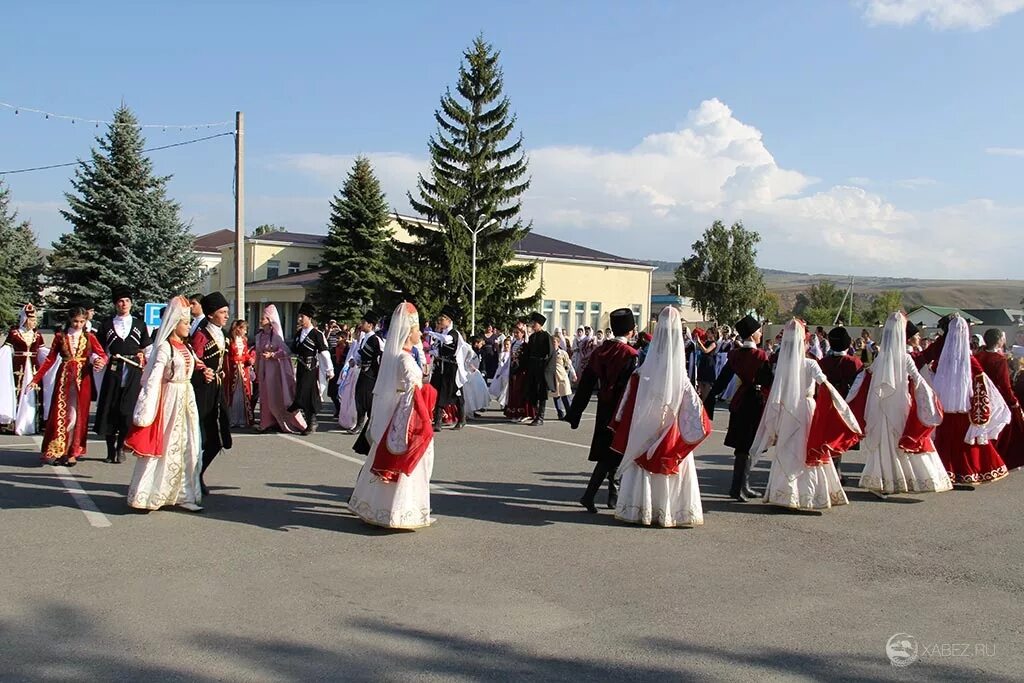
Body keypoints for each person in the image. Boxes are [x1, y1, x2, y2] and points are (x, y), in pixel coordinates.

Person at [609, 306, 711, 527]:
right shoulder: (680, 378)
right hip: (670, 429)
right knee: (670, 465)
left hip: (644, 427)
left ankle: (640, 509)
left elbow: (624, 408)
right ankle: (670, 511)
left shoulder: (641, 373)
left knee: (642, 464)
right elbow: (695, 410)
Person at [751, 319, 862, 512]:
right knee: (807, 449)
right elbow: (825, 385)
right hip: (807, 409)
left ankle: (784, 493)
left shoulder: (782, 366)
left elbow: (777, 391)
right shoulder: (811, 364)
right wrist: (843, 409)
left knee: (787, 450)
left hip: (788, 410)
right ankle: (809, 495)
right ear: (804, 342)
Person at [349, 302, 438, 529]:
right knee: (409, 460)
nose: (421, 333)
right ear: (409, 332)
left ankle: (376, 506)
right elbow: (414, 391)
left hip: (397, 409)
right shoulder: (406, 359)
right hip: (406, 412)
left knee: (384, 457)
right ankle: (401, 512)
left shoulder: (396, 355)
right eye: (418, 329)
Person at [846, 312, 952, 497]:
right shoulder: (905, 358)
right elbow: (918, 380)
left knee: (884, 443)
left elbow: (865, 378)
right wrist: (929, 400)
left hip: (879, 406)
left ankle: (883, 479)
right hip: (901, 405)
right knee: (900, 442)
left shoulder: (880, 359)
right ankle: (905, 478)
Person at [124, 296, 203, 512]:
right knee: (167, 446)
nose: (188, 327)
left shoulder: (186, 347)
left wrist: (201, 368)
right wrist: (148, 405)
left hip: (187, 398)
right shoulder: (165, 348)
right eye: (185, 323)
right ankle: (150, 494)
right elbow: (153, 378)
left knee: (189, 446)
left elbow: (189, 365)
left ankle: (184, 494)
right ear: (174, 323)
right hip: (170, 400)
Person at [566, 308, 638, 512]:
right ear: (631, 331)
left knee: (610, 453)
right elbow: (631, 388)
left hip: (604, 407)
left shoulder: (600, 351)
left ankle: (611, 497)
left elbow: (586, 383)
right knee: (615, 453)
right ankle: (593, 496)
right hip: (621, 408)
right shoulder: (630, 354)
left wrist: (575, 412)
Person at [931, 316, 1010, 485]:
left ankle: (945, 472)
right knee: (964, 445)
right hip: (964, 411)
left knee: (945, 443)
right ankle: (963, 472)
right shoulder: (970, 361)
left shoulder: (942, 361)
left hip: (944, 411)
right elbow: (981, 383)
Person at [704, 315, 773, 501]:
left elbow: (722, 379)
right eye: (758, 331)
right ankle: (740, 487)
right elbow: (768, 381)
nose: (760, 334)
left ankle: (741, 486)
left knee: (742, 446)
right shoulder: (760, 356)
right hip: (755, 402)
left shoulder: (734, 355)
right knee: (748, 445)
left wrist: (710, 397)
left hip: (739, 402)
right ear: (752, 335)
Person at [28, 307, 108, 466]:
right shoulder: (61, 337)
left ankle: (73, 451)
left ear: (85, 321)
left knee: (79, 415)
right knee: (61, 414)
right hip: (64, 379)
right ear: (70, 321)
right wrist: (35, 379)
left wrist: (101, 362)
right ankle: (59, 450)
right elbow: (50, 360)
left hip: (82, 380)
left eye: (82, 322)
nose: (78, 324)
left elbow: (102, 354)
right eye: (75, 321)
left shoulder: (89, 337)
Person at [94, 286, 152, 463]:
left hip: (133, 369)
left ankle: (121, 447)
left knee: (127, 411)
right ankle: (110, 450)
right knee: (110, 409)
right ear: (115, 304)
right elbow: (97, 349)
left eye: (127, 301)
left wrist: (148, 362)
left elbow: (148, 348)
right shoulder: (106, 325)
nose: (123, 304)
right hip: (113, 370)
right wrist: (98, 359)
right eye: (120, 301)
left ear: (131, 303)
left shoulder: (139, 325)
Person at [190, 291, 233, 494]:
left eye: (227, 312)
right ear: (210, 315)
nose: (226, 316)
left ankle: (198, 473)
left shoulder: (221, 334)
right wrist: (203, 370)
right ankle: (192, 476)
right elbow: (193, 358)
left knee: (217, 439)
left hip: (217, 388)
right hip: (202, 389)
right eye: (222, 312)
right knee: (201, 435)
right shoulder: (201, 334)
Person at [817, 326, 863, 484]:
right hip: (846, 401)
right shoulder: (855, 362)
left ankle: (833, 468)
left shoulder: (823, 362)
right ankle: (836, 470)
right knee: (840, 435)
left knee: (829, 434)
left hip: (827, 401)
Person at [974, 328, 1024, 471]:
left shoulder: (978, 356)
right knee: (1003, 430)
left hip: (979, 396)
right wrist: (1014, 402)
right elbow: (1004, 384)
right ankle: (999, 458)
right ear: (999, 340)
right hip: (997, 399)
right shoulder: (999, 360)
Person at [254, 305, 306, 434]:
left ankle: (282, 421)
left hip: (274, 371)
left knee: (275, 397)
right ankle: (266, 422)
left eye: (263, 318)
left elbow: (286, 351)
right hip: (263, 369)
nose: (260, 321)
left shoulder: (276, 337)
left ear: (270, 320)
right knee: (264, 396)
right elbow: (257, 353)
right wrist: (256, 368)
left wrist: (273, 355)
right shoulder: (258, 337)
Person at [288, 302, 333, 435]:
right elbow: (292, 350)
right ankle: (310, 421)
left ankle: (311, 421)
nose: (299, 319)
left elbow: (324, 352)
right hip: (301, 368)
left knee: (307, 394)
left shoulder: (316, 334)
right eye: (299, 317)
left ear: (309, 318)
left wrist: (329, 369)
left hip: (312, 369)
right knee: (302, 393)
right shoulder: (298, 334)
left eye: (302, 317)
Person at [0, 303, 45, 434]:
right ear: (25, 319)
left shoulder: (38, 335)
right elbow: (6, 349)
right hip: (19, 367)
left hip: (34, 367)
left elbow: (43, 351)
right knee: (17, 392)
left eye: (35, 319)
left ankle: (33, 423)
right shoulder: (14, 333)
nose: (34, 322)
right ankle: (12, 423)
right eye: (31, 320)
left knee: (33, 392)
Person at [427, 306, 468, 431]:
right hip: (442, 368)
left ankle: (461, 419)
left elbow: (447, 340)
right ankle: (438, 421)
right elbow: (438, 350)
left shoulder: (453, 334)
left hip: (452, 369)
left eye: (443, 319)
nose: (440, 321)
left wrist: (431, 333)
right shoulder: (442, 334)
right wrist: (431, 351)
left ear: (449, 320)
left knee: (457, 393)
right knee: (440, 392)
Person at [353, 311, 383, 434]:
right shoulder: (364, 338)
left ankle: (371, 425)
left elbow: (382, 355)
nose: (361, 324)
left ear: (370, 325)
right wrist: (355, 361)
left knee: (369, 398)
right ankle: (359, 423)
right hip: (363, 371)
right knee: (359, 396)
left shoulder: (376, 339)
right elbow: (360, 354)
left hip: (372, 373)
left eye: (364, 322)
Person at [523, 312, 552, 425]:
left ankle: (541, 417)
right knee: (533, 391)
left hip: (542, 368)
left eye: (534, 323)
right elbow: (528, 353)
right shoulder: (532, 337)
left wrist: (547, 371)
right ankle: (535, 414)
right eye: (532, 323)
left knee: (542, 393)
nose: (532, 325)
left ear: (540, 324)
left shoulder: (546, 337)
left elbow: (550, 355)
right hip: (533, 367)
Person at [225, 319, 254, 428]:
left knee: (243, 395)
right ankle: (232, 419)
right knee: (233, 394)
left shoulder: (244, 340)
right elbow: (227, 356)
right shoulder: (230, 340)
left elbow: (246, 354)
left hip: (243, 370)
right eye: (244, 329)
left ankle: (243, 419)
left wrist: (249, 359)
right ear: (238, 329)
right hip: (233, 370)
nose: (245, 332)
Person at [548, 335, 577, 420]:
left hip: (562, 376)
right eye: (551, 342)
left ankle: (570, 413)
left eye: (554, 342)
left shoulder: (563, 353)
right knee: (556, 396)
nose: (553, 344)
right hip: (553, 377)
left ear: (558, 343)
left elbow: (568, 364)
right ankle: (560, 413)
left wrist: (573, 374)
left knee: (565, 395)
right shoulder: (549, 353)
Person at [461, 336, 490, 418]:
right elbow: (467, 361)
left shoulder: (479, 351)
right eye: (480, 343)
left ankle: (473, 410)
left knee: (476, 392)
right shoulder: (469, 350)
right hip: (468, 374)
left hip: (474, 373)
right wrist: (471, 367)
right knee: (469, 393)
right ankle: (468, 411)